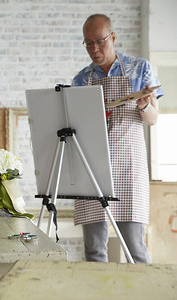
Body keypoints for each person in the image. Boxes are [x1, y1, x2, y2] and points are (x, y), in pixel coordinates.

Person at [72, 14, 164, 263]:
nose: (94, 49)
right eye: (88, 43)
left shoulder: (140, 68)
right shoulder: (81, 80)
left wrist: (144, 106)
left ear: (112, 37)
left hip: (128, 167)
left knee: (135, 250)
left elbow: (153, 119)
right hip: (91, 170)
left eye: (100, 41)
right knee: (94, 252)